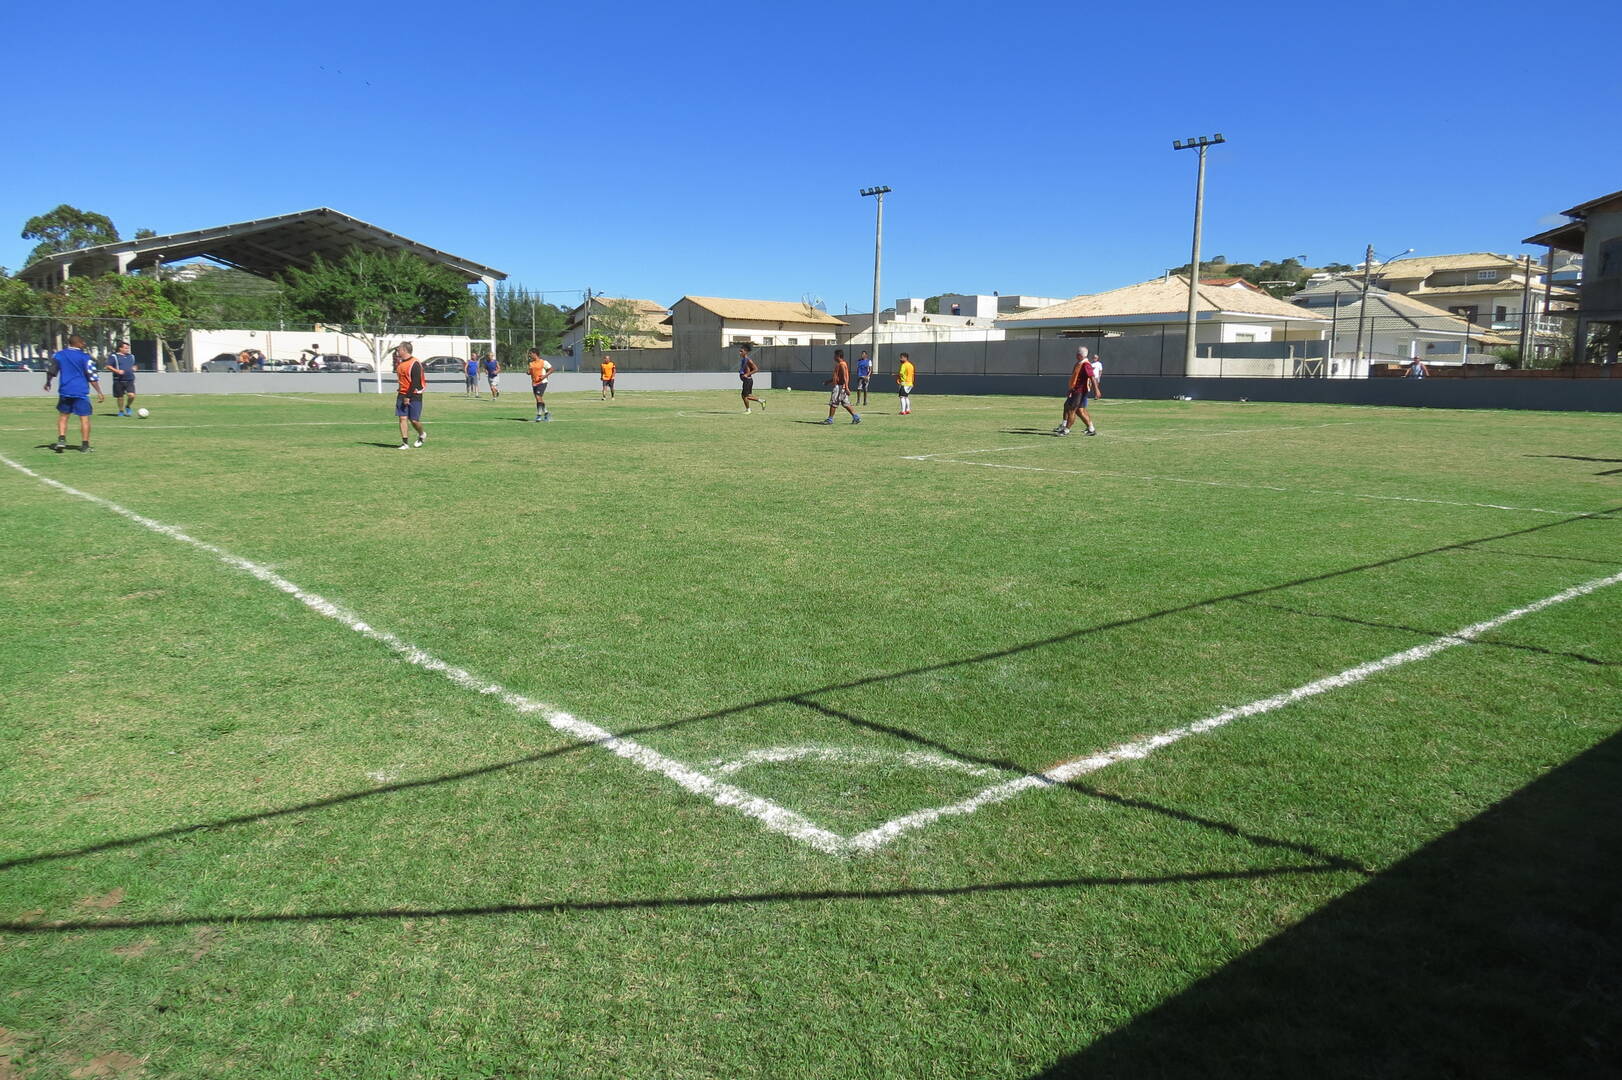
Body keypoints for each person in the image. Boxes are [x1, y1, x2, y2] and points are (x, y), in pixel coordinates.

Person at [44, 335, 105, 453]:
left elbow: (52, 370)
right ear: (78, 343)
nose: (84, 345)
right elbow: (91, 375)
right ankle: (85, 445)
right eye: (83, 343)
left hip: (65, 390)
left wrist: (48, 382)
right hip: (80, 391)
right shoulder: (85, 357)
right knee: (84, 418)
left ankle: (61, 439)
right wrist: (99, 391)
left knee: (63, 416)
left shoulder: (59, 354)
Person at [1055, 347, 1099, 436]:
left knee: (1072, 410)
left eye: (1077, 354)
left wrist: (1096, 390)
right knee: (1079, 410)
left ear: (1080, 355)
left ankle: (1066, 430)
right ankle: (1091, 429)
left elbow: (1092, 377)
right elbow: (1076, 379)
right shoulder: (1079, 364)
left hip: (1080, 391)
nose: (1075, 355)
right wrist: (1071, 389)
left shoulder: (1086, 365)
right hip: (1076, 390)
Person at [393, 342, 427, 449]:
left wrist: (408, 396)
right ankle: (405, 443)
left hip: (414, 395)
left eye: (399, 349)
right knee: (402, 418)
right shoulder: (400, 364)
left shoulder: (415, 363)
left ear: (404, 350)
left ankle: (422, 434)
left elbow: (415, 381)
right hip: (401, 394)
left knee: (414, 420)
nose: (397, 351)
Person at [819, 349, 861, 425]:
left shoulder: (842, 364)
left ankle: (830, 419)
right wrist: (828, 382)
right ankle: (856, 417)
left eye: (835, 355)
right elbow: (838, 376)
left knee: (834, 402)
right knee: (845, 403)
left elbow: (845, 376)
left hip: (840, 387)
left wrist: (847, 387)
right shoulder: (840, 364)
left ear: (838, 356)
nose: (834, 357)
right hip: (841, 386)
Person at [107, 341, 137, 416]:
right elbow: (108, 366)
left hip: (130, 379)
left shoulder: (131, 356)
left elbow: (134, 365)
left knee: (132, 395)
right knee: (120, 397)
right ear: (120, 348)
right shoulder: (114, 356)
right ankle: (121, 411)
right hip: (118, 380)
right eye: (125, 348)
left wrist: (135, 368)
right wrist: (117, 371)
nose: (127, 349)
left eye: (128, 348)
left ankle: (128, 406)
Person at [738, 344, 766, 413]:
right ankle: (748, 409)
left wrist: (747, 374)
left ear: (746, 352)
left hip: (748, 380)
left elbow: (756, 369)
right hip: (746, 381)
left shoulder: (748, 360)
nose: (740, 353)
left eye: (741, 351)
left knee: (745, 396)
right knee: (744, 395)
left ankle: (761, 401)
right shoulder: (743, 360)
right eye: (739, 351)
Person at [527, 349, 553, 421]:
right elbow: (530, 372)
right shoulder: (531, 363)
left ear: (535, 354)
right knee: (539, 399)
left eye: (531, 353)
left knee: (538, 397)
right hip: (534, 383)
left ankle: (539, 415)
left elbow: (551, 369)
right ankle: (546, 413)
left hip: (542, 382)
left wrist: (544, 376)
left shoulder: (543, 362)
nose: (529, 355)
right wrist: (528, 372)